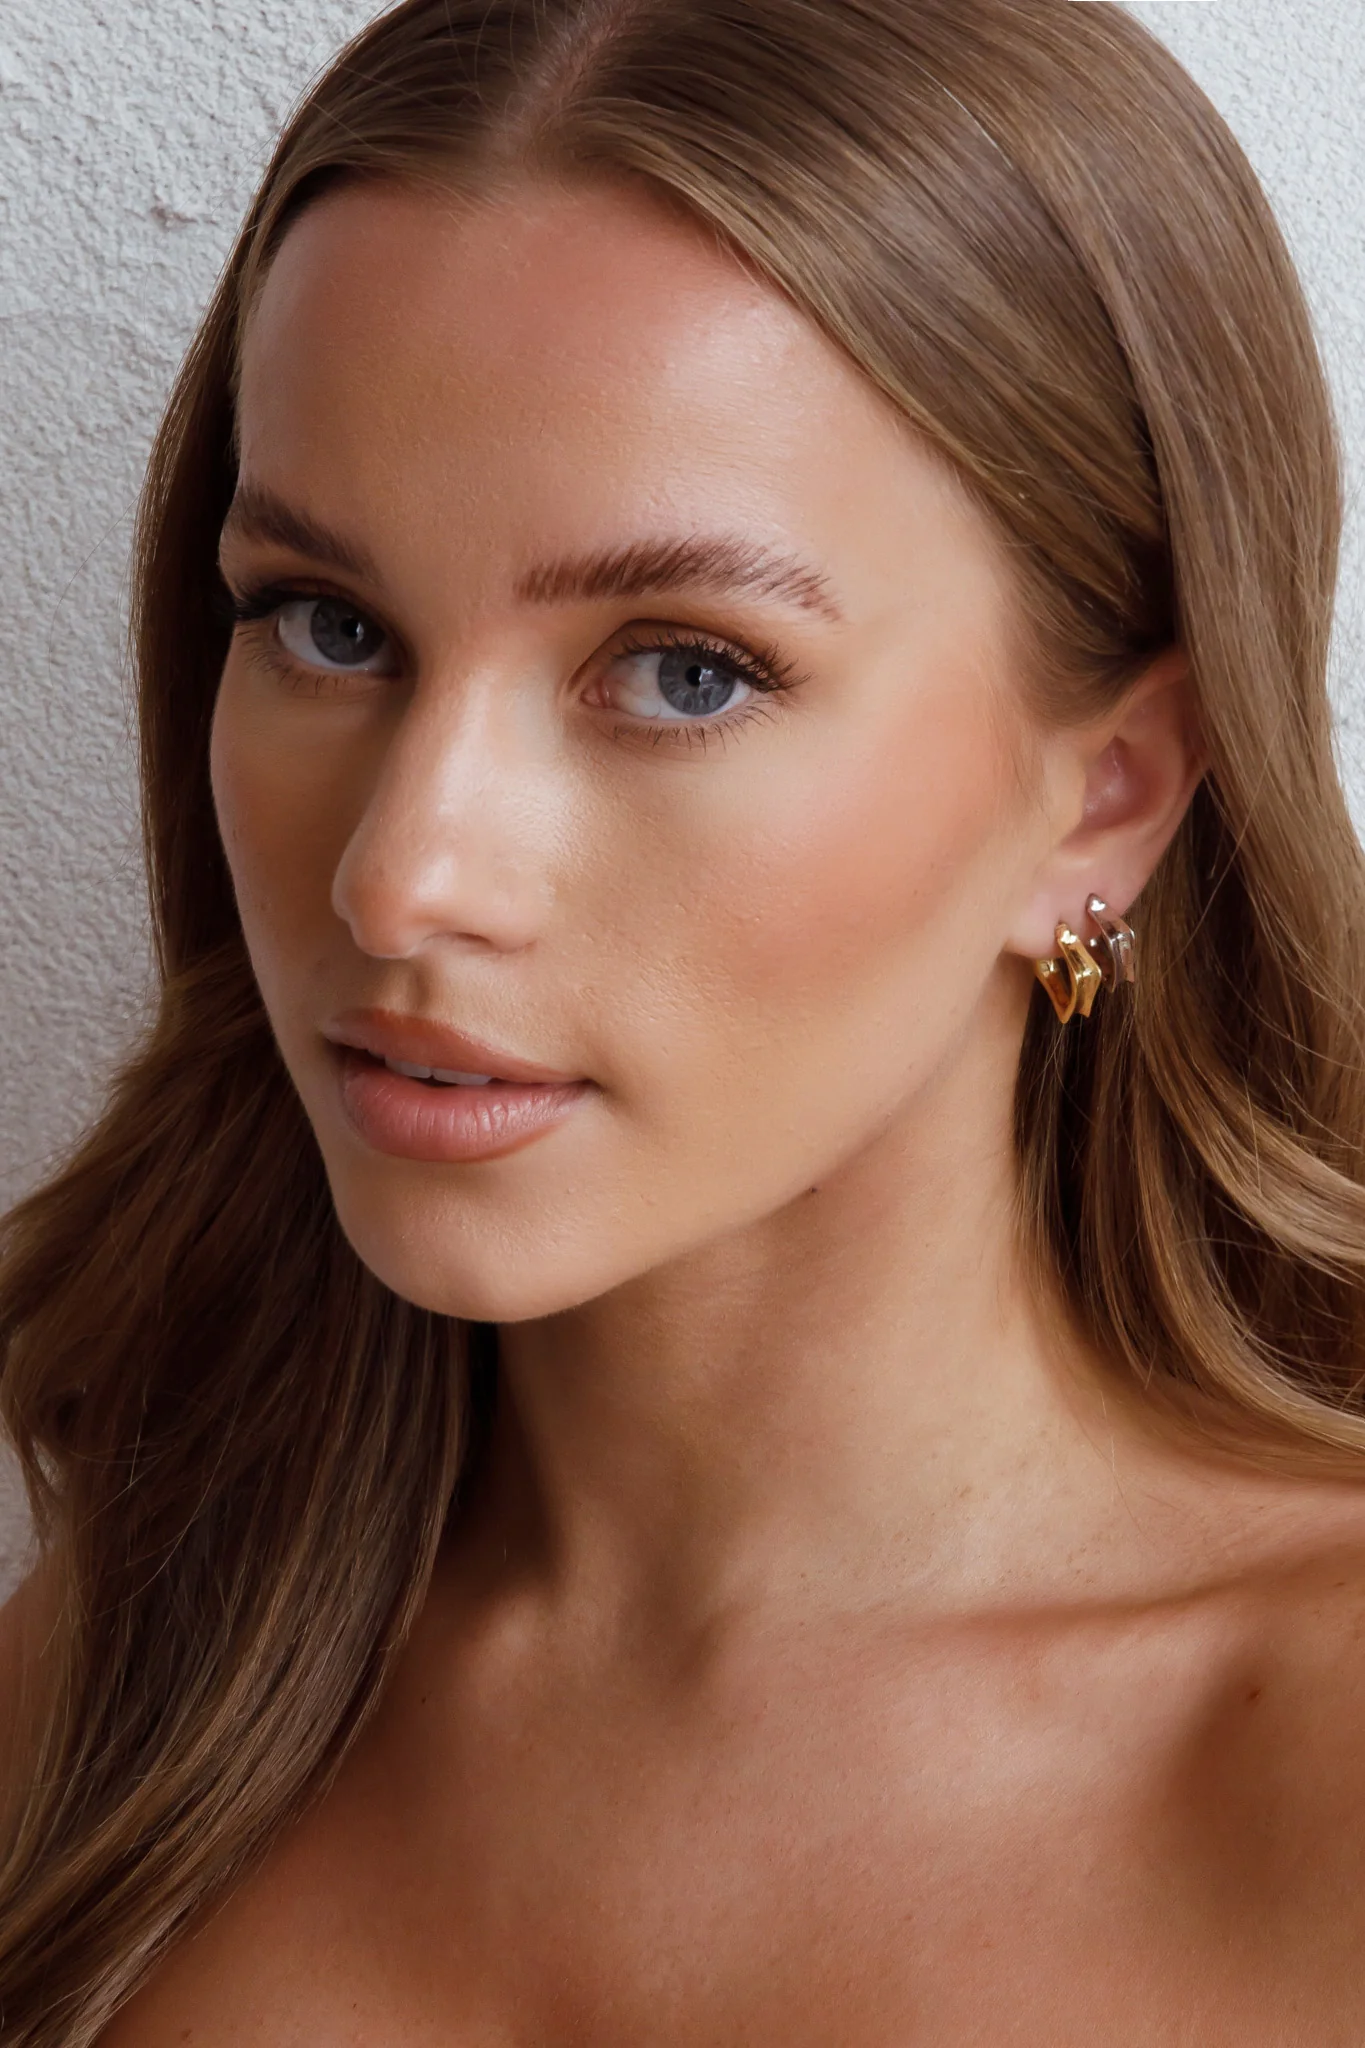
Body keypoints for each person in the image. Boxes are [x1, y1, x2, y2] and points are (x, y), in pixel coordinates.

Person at [3, 0, 1365, 2038]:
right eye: (329, 624)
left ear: (1107, 795)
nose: (401, 875)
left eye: (685, 671)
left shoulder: (1322, 1768)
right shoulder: (111, 1707)